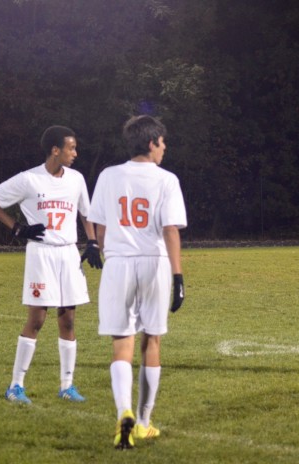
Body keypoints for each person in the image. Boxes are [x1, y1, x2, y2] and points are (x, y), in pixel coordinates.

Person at [0, 125, 103, 405]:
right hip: (41, 254)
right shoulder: (29, 180)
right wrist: (16, 228)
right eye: (71, 148)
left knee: (68, 319)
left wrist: (93, 242)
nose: (76, 153)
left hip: (69, 254)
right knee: (37, 319)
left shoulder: (76, 179)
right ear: (55, 150)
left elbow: (87, 213)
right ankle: (15, 386)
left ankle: (67, 386)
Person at [88, 115, 187, 449]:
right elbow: (170, 229)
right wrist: (178, 276)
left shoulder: (108, 175)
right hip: (154, 263)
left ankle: (122, 412)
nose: (164, 148)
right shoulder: (167, 180)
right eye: (162, 142)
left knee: (122, 341)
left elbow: (99, 226)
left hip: (118, 263)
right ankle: (143, 422)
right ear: (151, 142)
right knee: (152, 341)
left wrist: (108, 251)